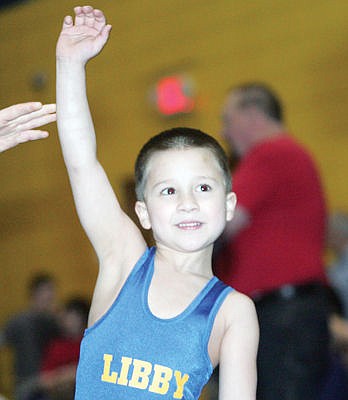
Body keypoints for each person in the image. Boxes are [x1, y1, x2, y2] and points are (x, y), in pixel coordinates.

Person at [55, 6, 259, 399]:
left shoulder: (234, 312)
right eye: (169, 191)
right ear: (143, 212)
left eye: (203, 188)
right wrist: (69, 64)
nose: (187, 203)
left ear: (229, 204)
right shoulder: (124, 260)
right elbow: (81, 163)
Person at [212, 82, 330, 400]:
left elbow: (221, 223)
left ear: (253, 116)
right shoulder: (286, 154)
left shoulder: (271, 153)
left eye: (228, 120)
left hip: (282, 316)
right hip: (287, 313)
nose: (224, 131)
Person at [0, 273, 60, 400]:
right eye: (46, 291)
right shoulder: (19, 322)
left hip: (52, 386)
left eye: (51, 291)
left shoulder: (57, 323)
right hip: (26, 385)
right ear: (34, 293)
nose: (50, 296)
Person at [39, 297, 90, 400]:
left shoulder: (89, 345)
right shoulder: (56, 346)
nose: (70, 322)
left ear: (83, 319)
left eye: (75, 318)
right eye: (68, 317)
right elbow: (44, 380)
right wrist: (67, 375)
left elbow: (92, 374)